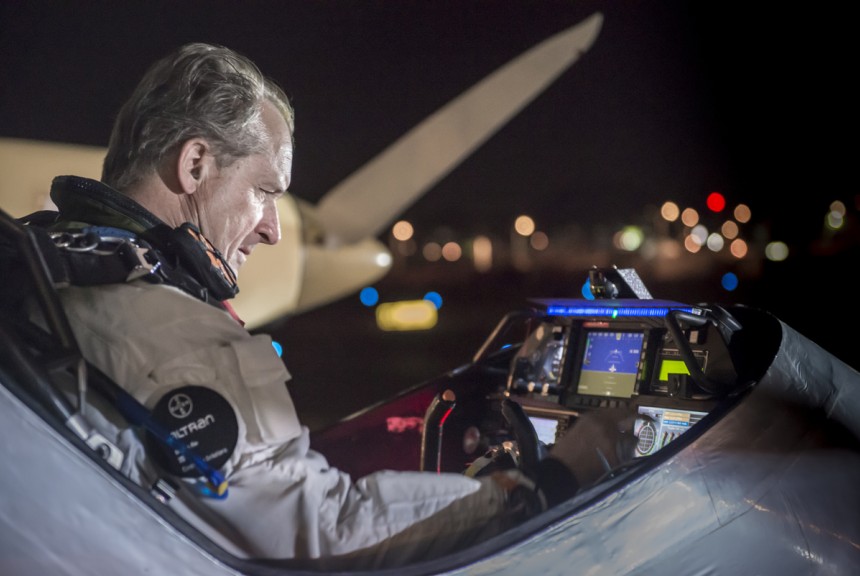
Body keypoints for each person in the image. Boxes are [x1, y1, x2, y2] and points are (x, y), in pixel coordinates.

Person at [23, 43, 633, 569]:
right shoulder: (173, 336)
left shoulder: (46, 265)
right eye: (264, 192)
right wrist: (553, 479)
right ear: (195, 164)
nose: (273, 230)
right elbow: (329, 535)